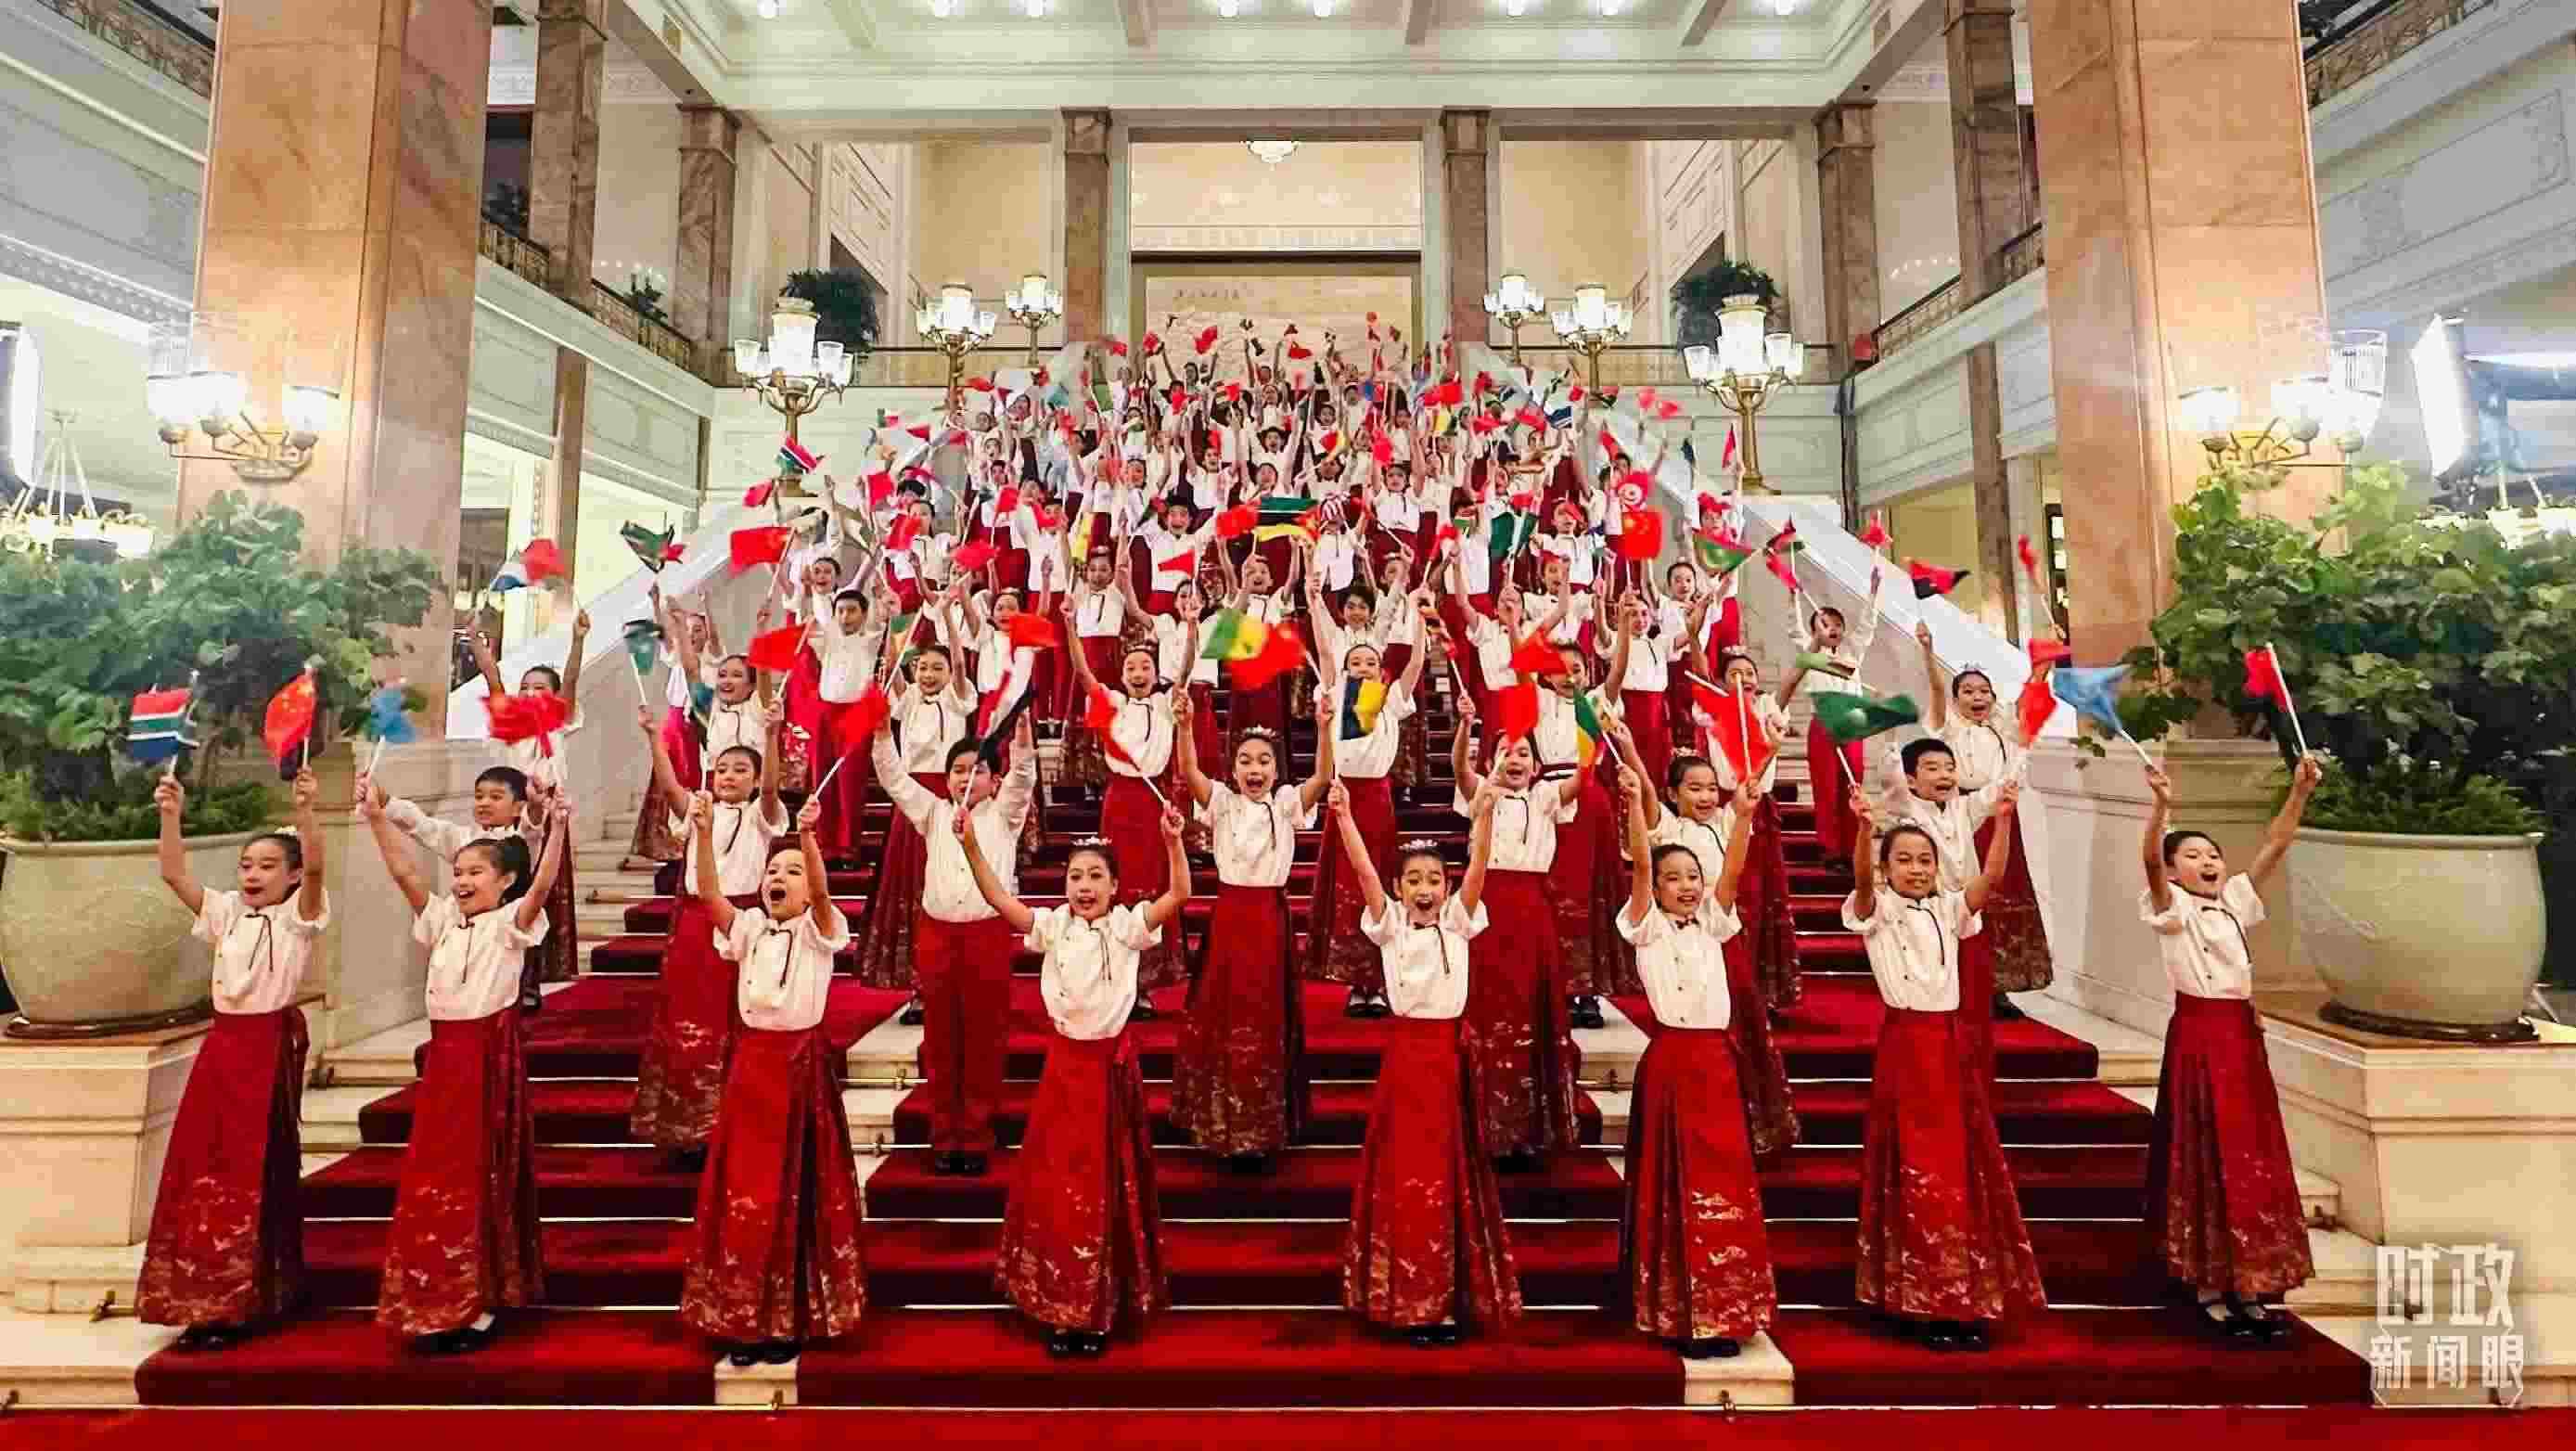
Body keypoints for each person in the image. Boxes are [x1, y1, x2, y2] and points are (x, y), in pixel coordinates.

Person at [960, 808, 1191, 1358]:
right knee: (1060, 1189)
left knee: (1106, 1187)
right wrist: (969, 844)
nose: (1084, 886)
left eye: (1095, 876)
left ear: (1115, 886)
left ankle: (1102, 1306)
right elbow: (996, 897)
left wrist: (1172, 842)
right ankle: (1061, 1308)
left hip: (1109, 1072)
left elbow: (1180, 893)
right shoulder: (1053, 926)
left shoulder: (1128, 927)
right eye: (1075, 876)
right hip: (1064, 1072)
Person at [364, 786, 570, 1352]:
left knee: (480, 1173)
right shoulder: (441, 920)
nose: (462, 880)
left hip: (486, 1059)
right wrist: (378, 816)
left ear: (505, 881)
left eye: (476, 872)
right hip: (445, 1061)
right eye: (458, 871)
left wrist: (557, 827)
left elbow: (543, 886)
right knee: (436, 1179)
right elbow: (404, 872)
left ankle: (479, 1302)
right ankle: (434, 1297)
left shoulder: (509, 924)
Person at [1843, 787, 2045, 1351]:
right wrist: (1864, 830)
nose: (1916, 869)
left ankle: (1962, 1298)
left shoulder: (1950, 909)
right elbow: (1862, 883)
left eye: (1925, 860)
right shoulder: (1878, 910)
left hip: (1950, 1049)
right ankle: (1919, 1299)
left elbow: (1992, 879)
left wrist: (2002, 821)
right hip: (1906, 1049)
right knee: (1914, 1168)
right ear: (1886, 870)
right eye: (1904, 860)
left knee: (1960, 1171)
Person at [137, 769, 327, 1350]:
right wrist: (171, 814)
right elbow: (173, 873)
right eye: (246, 865)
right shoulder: (225, 913)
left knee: (253, 1171)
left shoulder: (299, 918)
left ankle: (246, 1301)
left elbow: (318, 869)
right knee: (205, 1171)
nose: (252, 874)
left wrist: (306, 810)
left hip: (266, 1052)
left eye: (268, 866)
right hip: (222, 1050)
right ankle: (200, 1300)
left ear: (291, 876)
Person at [678, 791, 867, 1367]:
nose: (778, 879)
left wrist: (808, 839)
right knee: (747, 1192)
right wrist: (703, 833)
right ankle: (744, 1318)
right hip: (751, 1071)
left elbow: (825, 896)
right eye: (771, 871)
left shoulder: (820, 929)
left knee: (796, 1190)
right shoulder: (749, 929)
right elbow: (709, 894)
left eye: (792, 872)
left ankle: (789, 1316)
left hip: (800, 1069)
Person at [1334, 779, 1522, 1346]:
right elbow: (1363, 872)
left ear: (1447, 887)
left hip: (1449, 1062)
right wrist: (1344, 817)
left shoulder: (1460, 921)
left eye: (1434, 880)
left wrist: (1483, 815)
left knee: (1450, 1174)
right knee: (1407, 1176)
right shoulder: (1389, 925)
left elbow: (1479, 865)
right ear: (1399, 888)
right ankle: (1409, 1299)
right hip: (1406, 1065)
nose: (1424, 888)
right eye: (1413, 879)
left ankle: (1447, 1299)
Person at [2141, 757, 2322, 1341]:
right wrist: (2161, 809)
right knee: (2205, 1148)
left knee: (2248, 1153)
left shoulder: (2235, 902)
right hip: (2199, 1036)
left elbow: (2277, 843)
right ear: (2175, 872)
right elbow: (2150, 861)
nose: (2208, 862)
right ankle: (2210, 1287)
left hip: (2240, 1035)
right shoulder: (2171, 909)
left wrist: (2300, 791)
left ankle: (2251, 1286)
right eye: (2192, 856)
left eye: (2212, 854)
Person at [1612, 764, 1777, 1360]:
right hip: (1673, 1066)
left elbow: (1732, 871)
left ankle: (1725, 1308)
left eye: (1692, 876)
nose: (1686, 886)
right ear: (1655, 889)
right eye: (1673, 878)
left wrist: (1745, 817)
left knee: (1724, 1181)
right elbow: (1638, 863)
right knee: (1675, 1183)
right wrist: (1635, 804)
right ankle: (1679, 1309)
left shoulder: (1714, 923)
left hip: (1717, 1065)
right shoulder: (1646, 928)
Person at [1605, 733, 1800, 1158]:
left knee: (1742, 1027)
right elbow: (1643, 846)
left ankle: (1750, 1119)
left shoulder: (1724, 825)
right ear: (1674, 793)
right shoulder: (1667, 828)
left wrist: (1769, 751)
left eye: (1712, 787)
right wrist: (1632, 754)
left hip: (1718, 933)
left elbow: (1738, 845)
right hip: (1673, 937)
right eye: (1695, 788)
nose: (1707, 796)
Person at [1170, 685, 1336, 1169]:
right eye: (1245, 760)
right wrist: (1185, 726)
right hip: (1229, 920)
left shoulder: (1285, 803)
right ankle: (1222, 1122)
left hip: (1269, 922)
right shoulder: (1221, 801)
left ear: (1277, 770)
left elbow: (1322, 777)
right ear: (1234, 768)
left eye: (1264, 761)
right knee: (1223, 1015)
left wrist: (1325, 728)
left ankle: (1263, 1126)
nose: (1255, 769)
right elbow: (1189, 772)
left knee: (1266, 1018)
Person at [872, 715, 1038, 1174]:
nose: (967, 778)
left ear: (995, 780)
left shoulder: (1005, 814)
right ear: (946, 780)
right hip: (938, 935)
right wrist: (882, 734)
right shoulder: (932, 813)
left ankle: (977, 1135)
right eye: (959, 771)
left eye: (978, 770)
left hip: (987, 935)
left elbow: (1024, 773)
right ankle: (944, 1135)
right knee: (941, 1038)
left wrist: (1023, 736)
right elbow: (893, 778)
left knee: (984, 1035)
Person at [633, 708, 788, 1161]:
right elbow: (669, 788)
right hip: (694, 923)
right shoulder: (700, 810)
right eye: (722, 769)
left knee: (734, 1018)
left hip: (742, 921)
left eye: (740, 770)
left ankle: (733, 1125)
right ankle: (687, 1127)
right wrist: (654, 738)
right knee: (688, 1019)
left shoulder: (763, 815)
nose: (729, 777)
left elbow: (773, 788)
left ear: (755, 781)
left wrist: (772, 733)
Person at [1450, 700, 1588, 1168]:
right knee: (1489, 1008)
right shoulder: (1482, 794)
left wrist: (1593, 729)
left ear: (1537, 764)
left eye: (1524, 752)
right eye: (1506, 751)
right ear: (1491, 761)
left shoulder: (1546, 797)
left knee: (1531, 1007)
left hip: (1533, 914)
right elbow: (1460, 769)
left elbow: (1581, 779)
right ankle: (1484, 1126)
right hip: (1487, 910)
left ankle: (1528, 1127)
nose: (1515, 759)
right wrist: (1465, 724)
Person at [1919, 623, 2054, 1021]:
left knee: (2006, 896)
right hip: (1963, 815)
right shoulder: (1947, 726)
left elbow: (2031, 705)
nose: (1977, 697)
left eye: (1984, 691)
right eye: (1968, 691)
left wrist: (2041, 670)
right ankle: (1962, 979)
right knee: (1969, 896)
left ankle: (2000, 986)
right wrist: (1928, 652)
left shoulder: (2002, 725)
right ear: (1956, 698)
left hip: (2002, 815)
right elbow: (1937, 694)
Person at [1306, 602, 1429, 1020]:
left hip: (1376, 802)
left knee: (1375, 885)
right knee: (1347, 888)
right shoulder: (1337, 694)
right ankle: (1352, 982)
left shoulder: (1390, 700)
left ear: (1381, 671)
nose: (1362, 667)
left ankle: (1376, 983)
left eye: (1370, 662)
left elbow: (1415, 664)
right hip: (1344, 798)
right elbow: (1325, 651)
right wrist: (1314, 600)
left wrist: (1421, 621)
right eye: (1355, 662)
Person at [363, 764, 559, 1013]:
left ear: (518, 807)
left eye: (496, 797)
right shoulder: (463, 839)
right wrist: (382, 800)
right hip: (463, 931)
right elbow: (422, 826)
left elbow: (533, 831)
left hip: (502, 937)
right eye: (479, 796)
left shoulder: (520, 844)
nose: (484, 803)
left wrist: (537, 807)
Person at [1879, 735, 2016, 1081]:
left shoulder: (1963, 808)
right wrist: (1890, 735)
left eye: (1950, 767)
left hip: (1966, 915)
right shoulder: (1906, 808)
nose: (1944, 774)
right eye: (1932, 768)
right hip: (1926, 923)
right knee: (1938, 1012)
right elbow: (1892, 780)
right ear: (1911, 780)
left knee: (1974, 1010)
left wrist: (2024, 746)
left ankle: (1973, 1084)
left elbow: (2001, 787)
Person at [1064, 633, 1187, 1010]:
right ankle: (1114, 976)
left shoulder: (1166, 704)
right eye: (1131, 667)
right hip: (1120, 801)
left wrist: (1190, 626)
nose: (1138, 673)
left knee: (1153, 883)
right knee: (1117, 882)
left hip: (1154, 803)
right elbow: (1083, 673)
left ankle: (1145, 984)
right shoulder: (1114, 702)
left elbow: (1185, 669)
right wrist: (1069, 624)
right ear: (1121, 675)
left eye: (1145, 666)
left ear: (1156, 673)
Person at [1780, 571, 1881, 867]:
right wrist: (1793, 595)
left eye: (1837, 624)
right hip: (1823, 723)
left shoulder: (1853, 652)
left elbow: (1867, 625)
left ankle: (1852, 850)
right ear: (1815, 632)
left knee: (1852, 786)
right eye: (1825, 624)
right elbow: (1794, 628)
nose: (1832, 629)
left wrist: (1873, 592)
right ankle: (1830, 849)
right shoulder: (1811, 653)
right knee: (1825, 787)